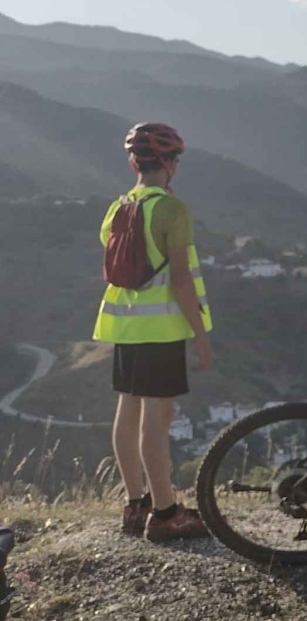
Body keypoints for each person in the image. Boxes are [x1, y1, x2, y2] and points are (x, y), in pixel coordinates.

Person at [93, 123, 214, 543]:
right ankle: (165, 513)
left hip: (124, 325)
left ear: (134, 164)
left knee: (127, 409)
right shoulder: (172, 211)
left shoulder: (118, 207)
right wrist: (200, 334)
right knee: (157, 421)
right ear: (169, 165)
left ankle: (135, 503)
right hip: (161, 329)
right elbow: (181, 280)